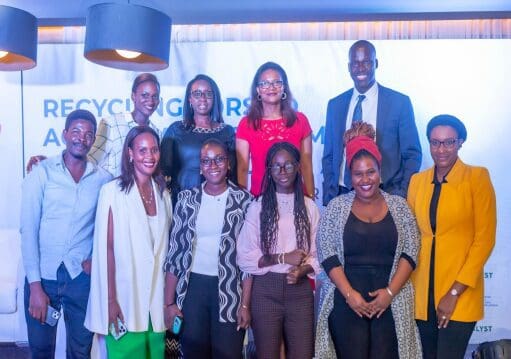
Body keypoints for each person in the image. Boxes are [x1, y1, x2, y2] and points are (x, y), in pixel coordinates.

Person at [315, 122, 422, 358]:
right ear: (350, 176)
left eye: (370, 171)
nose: (366, 179)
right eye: (358, 173)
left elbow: (411, 252)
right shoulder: (336, 207)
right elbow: (327, 253)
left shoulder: (400, 207)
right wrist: (350, 294)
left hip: (391, 304)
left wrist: (389, 294)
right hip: (347, 303)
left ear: (379, 170)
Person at [20, 109, 112, 358]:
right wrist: (35, 287)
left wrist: (96, 258)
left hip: (80, 280)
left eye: (88, 134)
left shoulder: (103, 180)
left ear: (94, 140)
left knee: (80, 351)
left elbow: (108, 226)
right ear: (64, 134)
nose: (81, 138)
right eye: (76, 131)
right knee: (41, 350)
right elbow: (28, 230)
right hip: (44, 278)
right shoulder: (42, 172)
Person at [407, 114, 496, 359]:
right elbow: (411, 236)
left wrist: (454, 293)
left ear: (460, 142)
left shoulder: (477, 178)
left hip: (460, 293)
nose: (441, 149)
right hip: (422, 295)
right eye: (435, 142)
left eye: (448, 142)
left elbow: (484, 240)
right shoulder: (417, 182)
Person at [85, 126, 172, 359]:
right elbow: (107, 250)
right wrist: (111, 301)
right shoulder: (111, 192)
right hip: (125, 302)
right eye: (142, 150)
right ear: (130, 153)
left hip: (156, 304)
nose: (149, 156)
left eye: (154, 150)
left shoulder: (164, 194)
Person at [163, 138, 253, 359]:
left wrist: (245, 305)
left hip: (229, 292)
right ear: (200, 167)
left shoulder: (245, 201)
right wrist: (168, 303)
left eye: (219, 159)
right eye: (206, 161)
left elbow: (248, 262)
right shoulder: (187, 199)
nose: (213, 166)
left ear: (229, 164)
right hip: (192, 290)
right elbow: (175, 254)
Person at [237, 142, 320, 359]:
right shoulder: (259, 206)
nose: (282, 172)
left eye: (288, 166)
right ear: (269, 171)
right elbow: (245, 257)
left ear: (298, 167)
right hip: (265, 291)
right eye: (276, 166)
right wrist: (284, 257)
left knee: (303, 354)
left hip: (299, 291)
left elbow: (318, 255)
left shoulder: (310, 207)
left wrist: (303, 270)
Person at [321, 39, 422, 205]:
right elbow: (329, 156)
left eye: (366, 62)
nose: (360, 68)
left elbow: (412, 154)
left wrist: (401, 194)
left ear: (376, 63)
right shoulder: (335, 105)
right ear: (348, 67)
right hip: (342, 195)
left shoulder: (399, 102)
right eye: (355, 63)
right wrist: (332, 194)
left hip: (386, 194)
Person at [27, 73, 162, 177]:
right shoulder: (112, 123)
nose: (150, 100)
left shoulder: (156, 132)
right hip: (111, 198)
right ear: (133, 96)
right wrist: (48, 163)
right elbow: (87, 158)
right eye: (144, 95)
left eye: (154, 96)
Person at [236, 62, 315, 198]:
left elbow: (306, 164)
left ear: (284, 87)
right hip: (260, 198)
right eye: (265, 83)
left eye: (276, 82)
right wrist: (242, 201)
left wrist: (310, 196)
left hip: (296, 197)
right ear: (258, 90)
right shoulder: (246, 124)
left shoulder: (300, 121)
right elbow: (242, 169)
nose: (271, 87)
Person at [161, 74, 236, 204]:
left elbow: (233, 173)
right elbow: (162, 171)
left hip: (219, 200)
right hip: (182, 201)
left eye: (208, 93)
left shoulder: (227, 131)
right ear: (189, 99)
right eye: (197, 94)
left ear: (214, 98)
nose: (203, 98)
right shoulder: (176, 129)